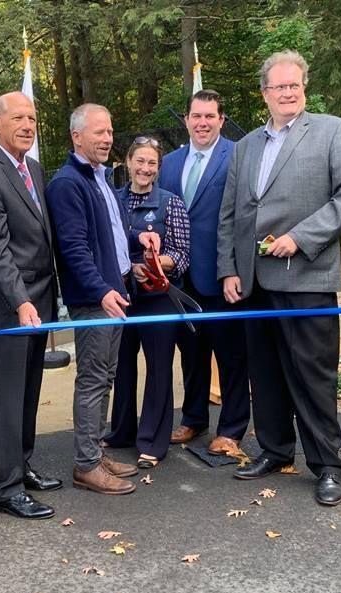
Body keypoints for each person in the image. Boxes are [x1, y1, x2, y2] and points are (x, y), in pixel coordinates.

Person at [217, 50, 341, 506]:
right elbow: (231, 215)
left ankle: (328, 466)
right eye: (278, 87)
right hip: (254, 282)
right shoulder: (244, 146)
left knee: (312, 376)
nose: (287, 93)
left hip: (307, 276)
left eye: (294, 85)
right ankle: (276, 450)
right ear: (264, 93)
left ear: (304, 88)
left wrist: (301, 237)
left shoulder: (332, 130)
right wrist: (228, 269)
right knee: (264, 374)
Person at [45, 103, 159, 495]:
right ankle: (85, 465)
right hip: (96, 299)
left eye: (110, 132)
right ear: (77, 136)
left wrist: (136, 240)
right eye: (99, 132)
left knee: (105, 377)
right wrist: (102, 290)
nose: (108, 138)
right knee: (93, 379)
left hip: (115, 292)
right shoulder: (66, 183)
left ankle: (95, 451)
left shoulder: (101, 178)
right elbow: (74, 248)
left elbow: (110, 233)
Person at [0, 92, 61, 520]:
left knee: (30, 389)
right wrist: (21, 300)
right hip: (11, 305)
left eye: (32, 118)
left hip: (39, 299)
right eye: (18, 117)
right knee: (8, 394)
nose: (27, 124)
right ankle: (6, 487)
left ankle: (22, 464)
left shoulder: (34, 169)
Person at [159, 89, 250, 459]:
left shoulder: (238, 156)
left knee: (231, 355)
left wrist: (237, 269)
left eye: (210, 116)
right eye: (196, 116)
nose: (202, 122)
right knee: (191, 354)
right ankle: (194, 417)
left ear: (221, 120)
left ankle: (231, 428)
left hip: (222, 275)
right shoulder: (169, 162)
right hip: (181, 281)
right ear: (186, 120)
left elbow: (243, 216)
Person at [104, 137, 190, 469]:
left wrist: (154, 263)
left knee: (158, 369)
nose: (145, 168)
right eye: (140, 161)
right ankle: (121, 431)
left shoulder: (171, 204)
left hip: (159, 300)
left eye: (152, 163)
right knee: (122, 364)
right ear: (127, 162)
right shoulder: (112, 200)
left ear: (158, 167)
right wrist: (129, 267)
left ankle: (152, 440)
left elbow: (182, 256)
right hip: (124, 297)